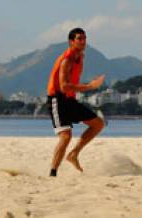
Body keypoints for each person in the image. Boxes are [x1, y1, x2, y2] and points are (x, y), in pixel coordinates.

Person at [46, 27, 106, 177]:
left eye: (84, 38)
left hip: (70, 99)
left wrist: (87, 86)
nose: (83, 41)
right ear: (71, 42)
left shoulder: (80, 57)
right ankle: (53, 173)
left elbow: (71, 85)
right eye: (79, 38)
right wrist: (89, 86)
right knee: (66, 136)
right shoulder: (67, 59)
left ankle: (73, 154)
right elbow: (64, 86)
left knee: (98, 124)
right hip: (58, 99)